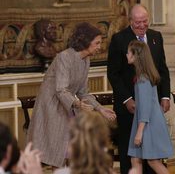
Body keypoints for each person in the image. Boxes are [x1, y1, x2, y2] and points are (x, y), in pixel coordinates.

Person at [27, 22, 116, 168]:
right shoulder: (65, 57)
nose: (99, 46)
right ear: (86, 42)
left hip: (68, 105)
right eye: (97, 43)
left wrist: (100, 109)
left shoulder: (85, 60)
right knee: (56, 151)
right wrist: (77, 104)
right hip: (52, 107)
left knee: (70, 150)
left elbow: (83, 92)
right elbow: (61, 89)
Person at [107, 4, 170, 174]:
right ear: (130, 21)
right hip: (128, 110)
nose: (142, 26)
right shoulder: (119, 39)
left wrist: (165, 96)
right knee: (132, 156)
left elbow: (162, 69)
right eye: (137, 23)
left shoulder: (156, 37)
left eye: (145, 21)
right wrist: (127, 99)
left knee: (152, 157)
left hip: (150, 110)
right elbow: (113, 74)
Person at [127, 40, 173, 174]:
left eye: (129, 52)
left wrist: (139, 132)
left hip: (147, 124)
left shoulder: (143, 80)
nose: (126, 54)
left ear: (136, 55)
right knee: (136, 159)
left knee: (152, 161)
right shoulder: (143, 77)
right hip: (144, 122)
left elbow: (146, 108)